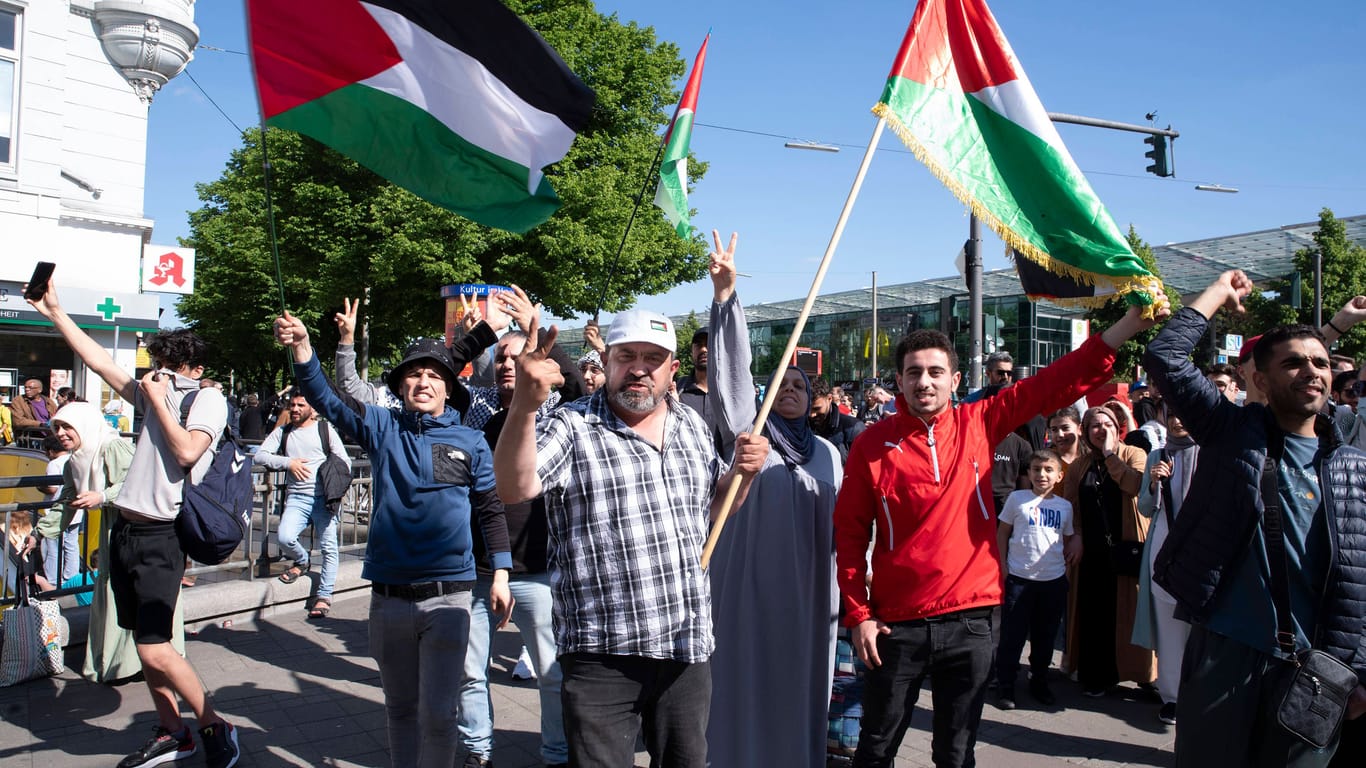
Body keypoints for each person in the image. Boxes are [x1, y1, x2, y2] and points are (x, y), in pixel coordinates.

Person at [833, 292, 1168, 768]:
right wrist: (859, 614)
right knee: (877, 748)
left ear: (954, 379)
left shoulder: (978, 420)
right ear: (899, 380)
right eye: (913, 373)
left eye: (934, 372)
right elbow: (848, 535)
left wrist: (1127, 326)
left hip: (972, 618)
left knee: (956, 753)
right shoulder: (870, 445)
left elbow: (1055, 381)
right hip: (896, 624)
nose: (924, 382)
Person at [493, 306, 769, 768]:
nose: (639, 368)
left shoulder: (693, 428)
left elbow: (716, 512)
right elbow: (513, 486)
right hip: (601, 653)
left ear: (672, 368)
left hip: (685, 646)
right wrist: (523, 405)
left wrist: (745, 475)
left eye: (653, 358)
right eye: (627, 356)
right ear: (607, 361)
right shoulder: (572, 425)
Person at [1145, 270, 1366, 765]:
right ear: (1259, 380)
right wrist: (1216, 295)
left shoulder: (1354, 468)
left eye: (1321, 363)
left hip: (1317, 672)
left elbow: (1362, 581)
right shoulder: (1233, 435)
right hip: (1227, 654)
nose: (1311, 371)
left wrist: (1359, 671)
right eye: (1293, 364)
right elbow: (1165, 358)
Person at [274, 312, 513, 768]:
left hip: (451, 598)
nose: (423, 381)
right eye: (414, 374)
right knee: (400, 709)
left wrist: (500, 571)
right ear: (402, 386)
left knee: (441, 715)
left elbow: (489, 509)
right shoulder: (382, 428)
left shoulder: (473, 441)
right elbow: (329, 398)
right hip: (387, 600)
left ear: (448, 388)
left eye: (433, 375)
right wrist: (304, 349)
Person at [26, 278, 239, 768]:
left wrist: (162, 398)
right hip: (125, 530)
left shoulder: (205, 400)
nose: (162, 374)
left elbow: (188, 451)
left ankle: (216, 726)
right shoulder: (152, 394)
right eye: (159, 365)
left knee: (158, 648)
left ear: (197, 370)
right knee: (145, 648)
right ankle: (172, 730)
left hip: (162, 537)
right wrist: (55, 313)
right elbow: (101, 363)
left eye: (175, 367)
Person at [703, 231, 841, 767]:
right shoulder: (750, 436)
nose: (790, 390)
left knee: (801, 685)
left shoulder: (829, 453)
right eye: (780, 383)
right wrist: (726, 298)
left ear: (813, 400)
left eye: (800, 387)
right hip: (748, 591)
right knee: (741, 684)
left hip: (810, 595)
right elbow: (731, 382)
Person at [46, 401, 186, 683]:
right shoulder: (76, 459)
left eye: (67, 426)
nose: (61, 433)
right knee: (118, 591)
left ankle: (143, 659)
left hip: (136, 527)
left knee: (133, 590)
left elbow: (139, 480)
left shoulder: (112, 447)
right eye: (57, 427)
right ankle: (124, 662)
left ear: (83, 425)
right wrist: (39, 532)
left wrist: (102, 496)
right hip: (116, 528)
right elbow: (67, 502)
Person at [1061, 406, 1156, 697]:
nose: (1101, 430)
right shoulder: (1081, 464)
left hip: (1127, 548)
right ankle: (1098, 675)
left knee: (1131, 611)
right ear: (1086, 433)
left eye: (1107, 424)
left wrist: (1112, 455)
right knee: (1095, 614)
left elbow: (1134, 486)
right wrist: (1075, 535)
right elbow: (1071, 504)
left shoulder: (1134, 454)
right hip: (1091, 551)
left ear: (1118, 428)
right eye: (1094, 426)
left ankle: (1142, 675)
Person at [252, 390, 353, 618]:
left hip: (323, 499)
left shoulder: (324, 430)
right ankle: (302, 560)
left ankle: (324, 595)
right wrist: (288, 463)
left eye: (300, 405)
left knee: (329, 548)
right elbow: (260, 455)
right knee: (285, 537)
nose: (295, 409)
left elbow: (344, 461)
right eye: (292, 405)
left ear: (313, 409)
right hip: (297, 498)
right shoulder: (283, 432)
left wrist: (333, 484)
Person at [994, 449, 1077, 710]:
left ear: (1059, 475)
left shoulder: (1065, 507)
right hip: (1019, 579)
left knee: (1045, 636)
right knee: (1012, 636)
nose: (1042, 474)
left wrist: (1064, 573)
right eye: (1036, 469)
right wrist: (1003, 567)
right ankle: (1006, 682)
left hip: (1052, 581)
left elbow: (1064, 541)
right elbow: (1002, 533)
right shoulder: (1017, 500)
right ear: (1028, 473)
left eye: (1048, 470)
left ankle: (1038, 680)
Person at [1133, 410, 1199, 726]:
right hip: (1162, 545)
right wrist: (1154, 483)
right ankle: (1172, 697)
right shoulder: (1157, 456)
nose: (1177, 420)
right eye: (1170, 415)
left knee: (1198, 629)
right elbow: (1145, 507)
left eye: (1182, 413)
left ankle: (1199, 693)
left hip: (1199, 549)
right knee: (1169, 628)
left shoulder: (1211, 453)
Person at [35, 433, 77, 587]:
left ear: (50, 450)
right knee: (71, 545)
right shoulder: (73, 459)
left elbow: (52, 489)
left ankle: (53, 581)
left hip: (56, 512)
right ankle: (71, 579)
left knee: (53, 547)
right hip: (75, 511)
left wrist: (39, 485)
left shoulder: (54, 464)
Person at [810, 375, 865, 462]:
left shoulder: (853, 428)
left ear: (829, 398)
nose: (812, 414)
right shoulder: (802, 426)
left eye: (817, 409)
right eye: (807, 409)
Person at [1047, 406, 1083, 471]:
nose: (1060, 434)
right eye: (1054, 430)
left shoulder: (1090, 459)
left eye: (1065, 428)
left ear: (1080, 429)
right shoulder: (1045, 460)